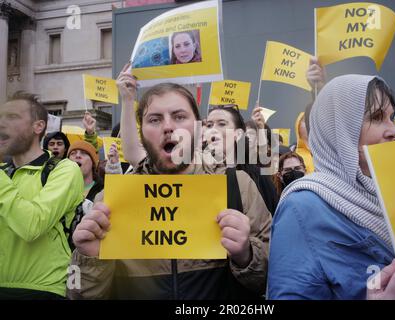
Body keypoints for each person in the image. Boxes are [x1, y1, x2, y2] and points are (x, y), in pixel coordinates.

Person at [67, 83, 271, 299]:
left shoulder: (238, 186)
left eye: (179, 117)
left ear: (199, 128)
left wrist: (246, 255)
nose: (168, 127)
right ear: (142, 132)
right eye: (154, 119)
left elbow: (272, 278)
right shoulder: (110, 200)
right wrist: (87, 258)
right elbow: (74, 293)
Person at [267, 75, 395, 300]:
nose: (394, 130)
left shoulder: (393, 191)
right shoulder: (301, 208)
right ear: (341, 130)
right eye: (376, 117)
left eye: (391, 117)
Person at [0, 92, 84, 299]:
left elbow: (32, 225)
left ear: (38, 127)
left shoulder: (64, 170)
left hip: (43, 289)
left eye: (12, 117)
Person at [205, 104, 279, 215]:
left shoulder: (257, 178)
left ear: (238, 134)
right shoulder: (196, 173)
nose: (213, 130)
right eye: (209, 125)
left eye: (221, 124)